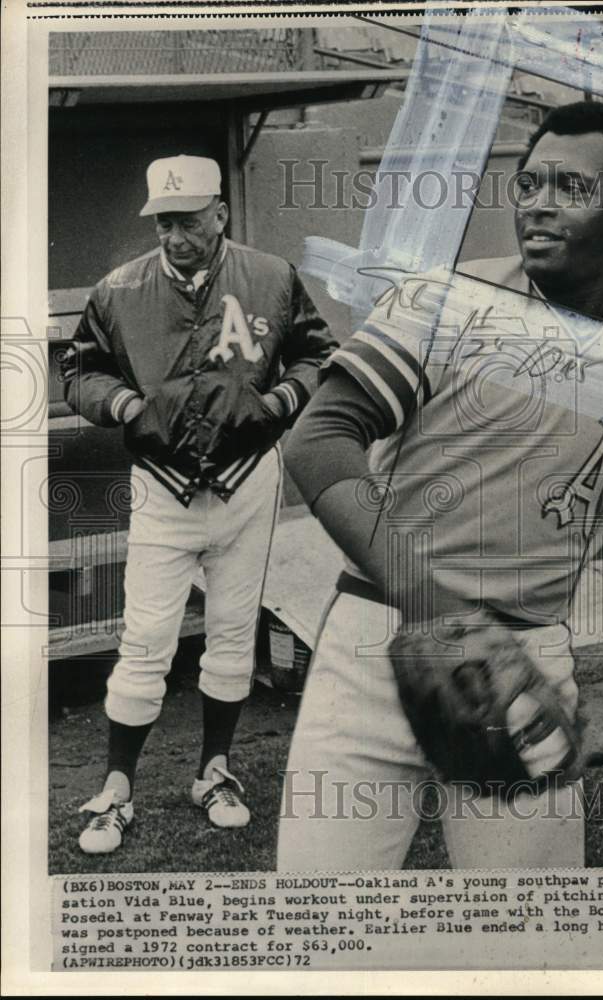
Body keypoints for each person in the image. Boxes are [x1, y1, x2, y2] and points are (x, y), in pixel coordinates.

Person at [276, 102, 603, 870]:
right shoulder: (446, 304)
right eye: (528, 182)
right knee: (319, 927)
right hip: (380, 639)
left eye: (567, 186)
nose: (535, 202)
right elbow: (317, 440)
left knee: (531, 941)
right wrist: (438, 608)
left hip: (527, 661)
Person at [62, 154, 336, 854]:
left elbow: (315, 352)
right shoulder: (120, 287)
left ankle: (214, 770)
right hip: (164, 483)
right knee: (147, 637)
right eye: (163, 221)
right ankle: (117, 786)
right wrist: (120, 401)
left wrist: (281, 397)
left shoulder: (270, 276)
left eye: (188, 219)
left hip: (247, 479)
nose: (174, 235)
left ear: (220, 213)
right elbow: (81, 370)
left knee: (231, 631)